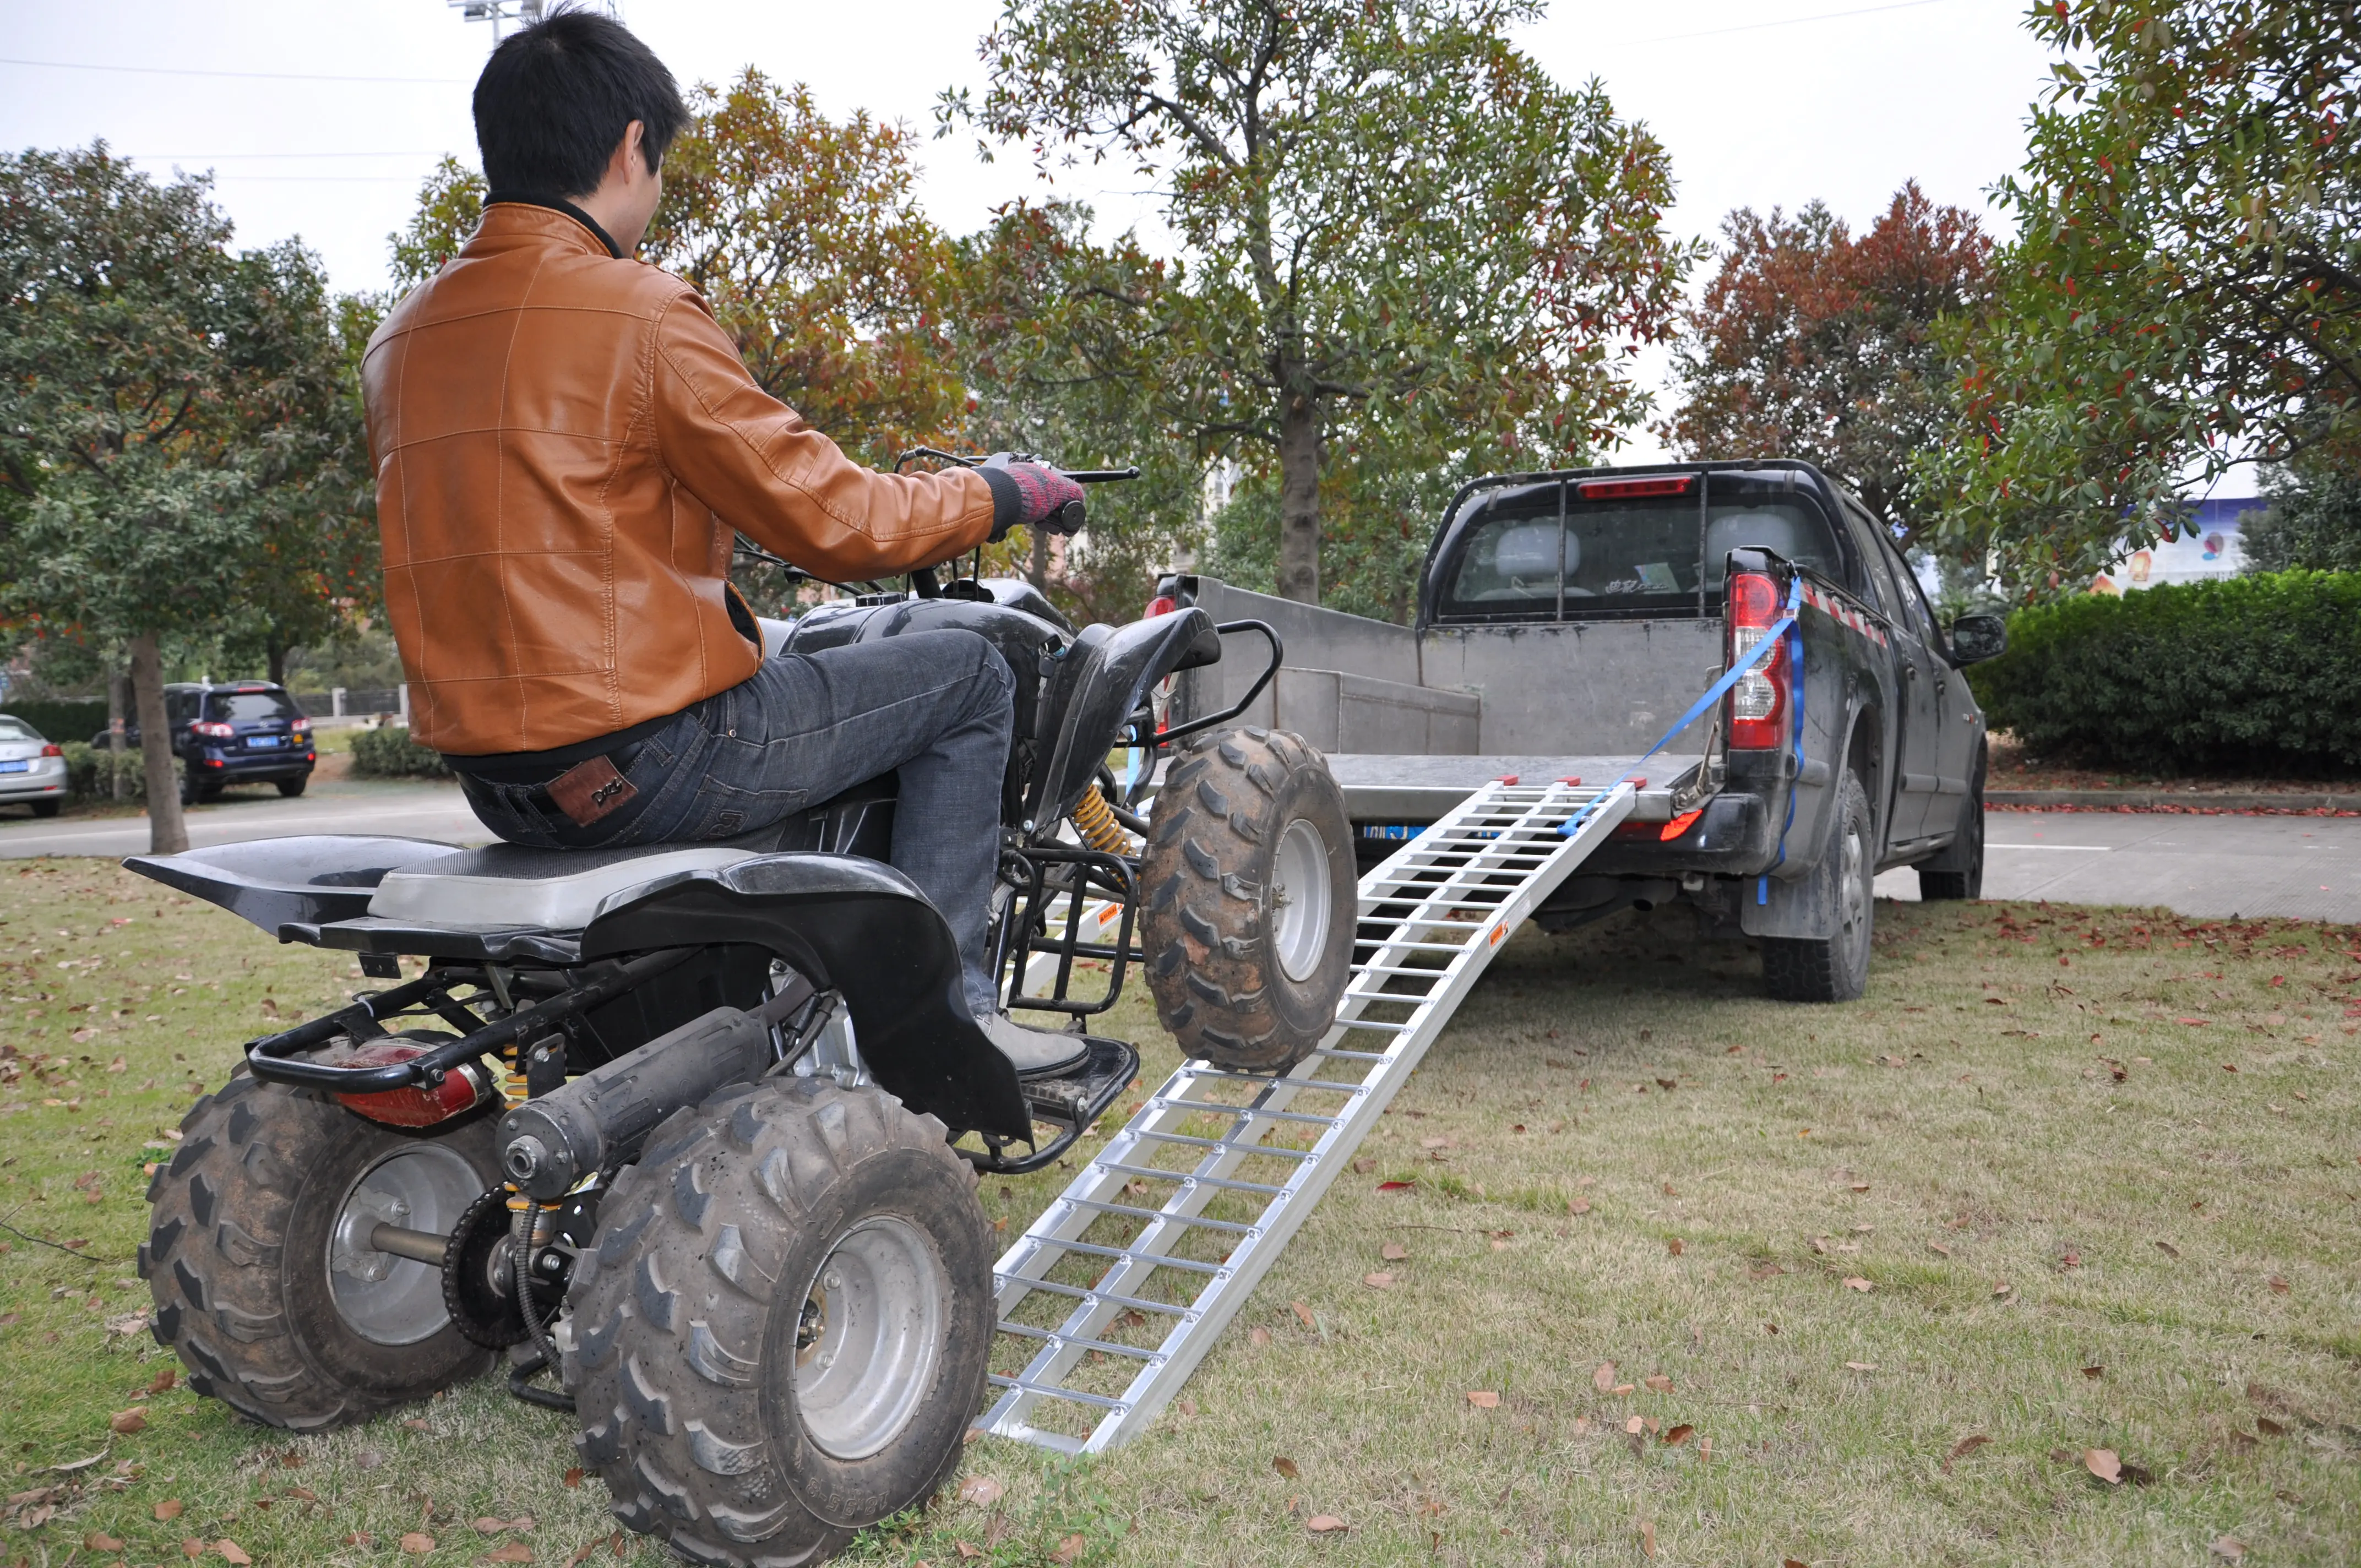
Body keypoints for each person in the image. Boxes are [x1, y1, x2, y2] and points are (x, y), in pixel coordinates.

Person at [359, 7, 1085, 1072]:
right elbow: (841, 523)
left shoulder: (401, 337)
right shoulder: (641, 313)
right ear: (630, 147)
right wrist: (995, 491)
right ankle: (952, 1018)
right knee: (971, 675)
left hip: (497, 777)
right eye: (660, 166)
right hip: (654, 759)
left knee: (796, 648)